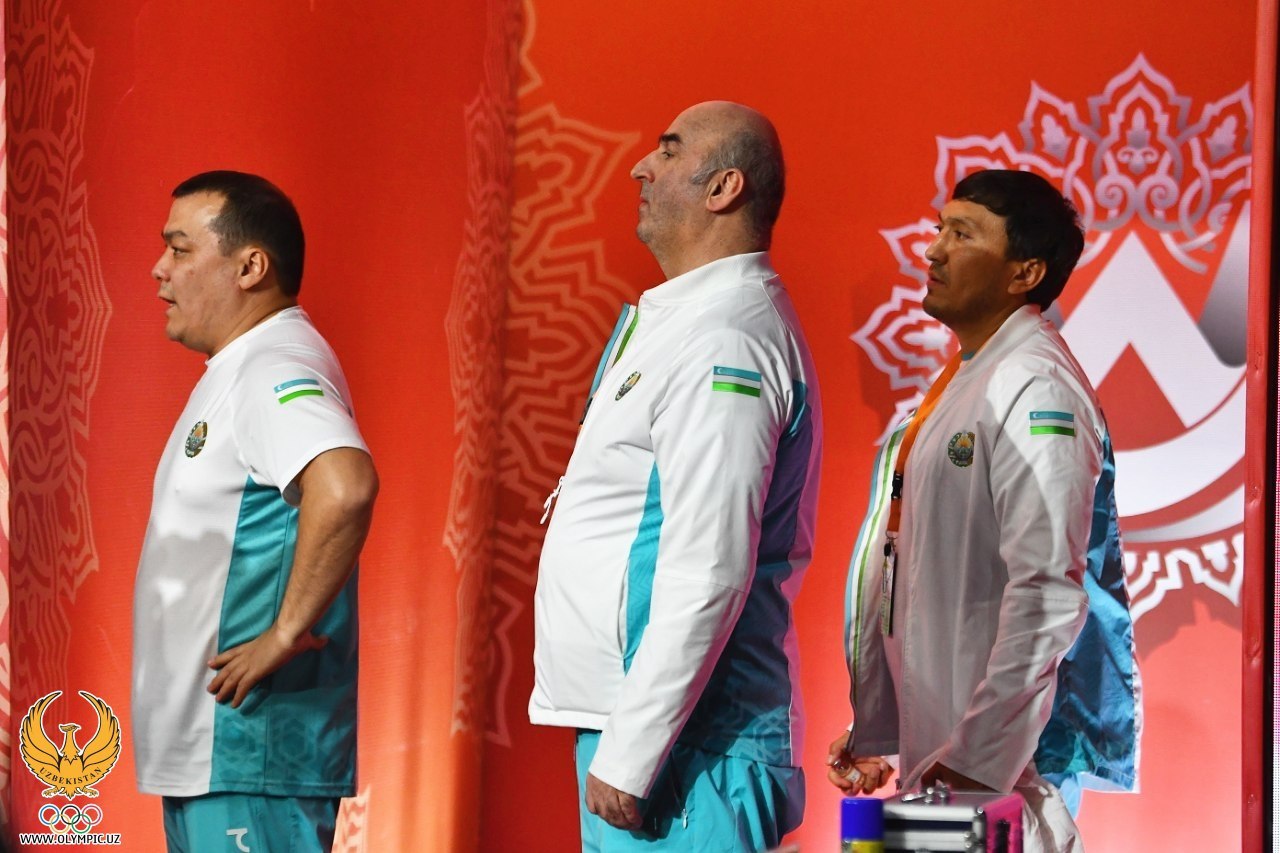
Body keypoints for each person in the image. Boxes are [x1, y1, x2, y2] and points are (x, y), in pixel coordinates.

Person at [529, 101, 822, 852]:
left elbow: (710, 563)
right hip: (655, 732)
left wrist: (634, 750)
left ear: (724, 188)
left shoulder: (728, 337)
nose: (640, 167)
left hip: (691, 748)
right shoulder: (692, 323)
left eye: (667, 150)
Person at [828, 169, 1140, 853]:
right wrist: (884, 725)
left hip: (998, 770)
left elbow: (1047, 592)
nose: (934, 249)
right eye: (940, 228)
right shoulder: (972, 377)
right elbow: (928, 584)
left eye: (963, 234)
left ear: (1024, 272)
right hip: (953, 761)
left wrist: (978, 760)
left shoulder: (1036, 382)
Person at [131, 171, 378, 853]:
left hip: (249, 749)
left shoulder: (273, 365)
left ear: (250, 267)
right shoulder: (240, 367)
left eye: (179, 249)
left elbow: (346, 485)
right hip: (219, 756)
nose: (159, 269)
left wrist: (285, 632)